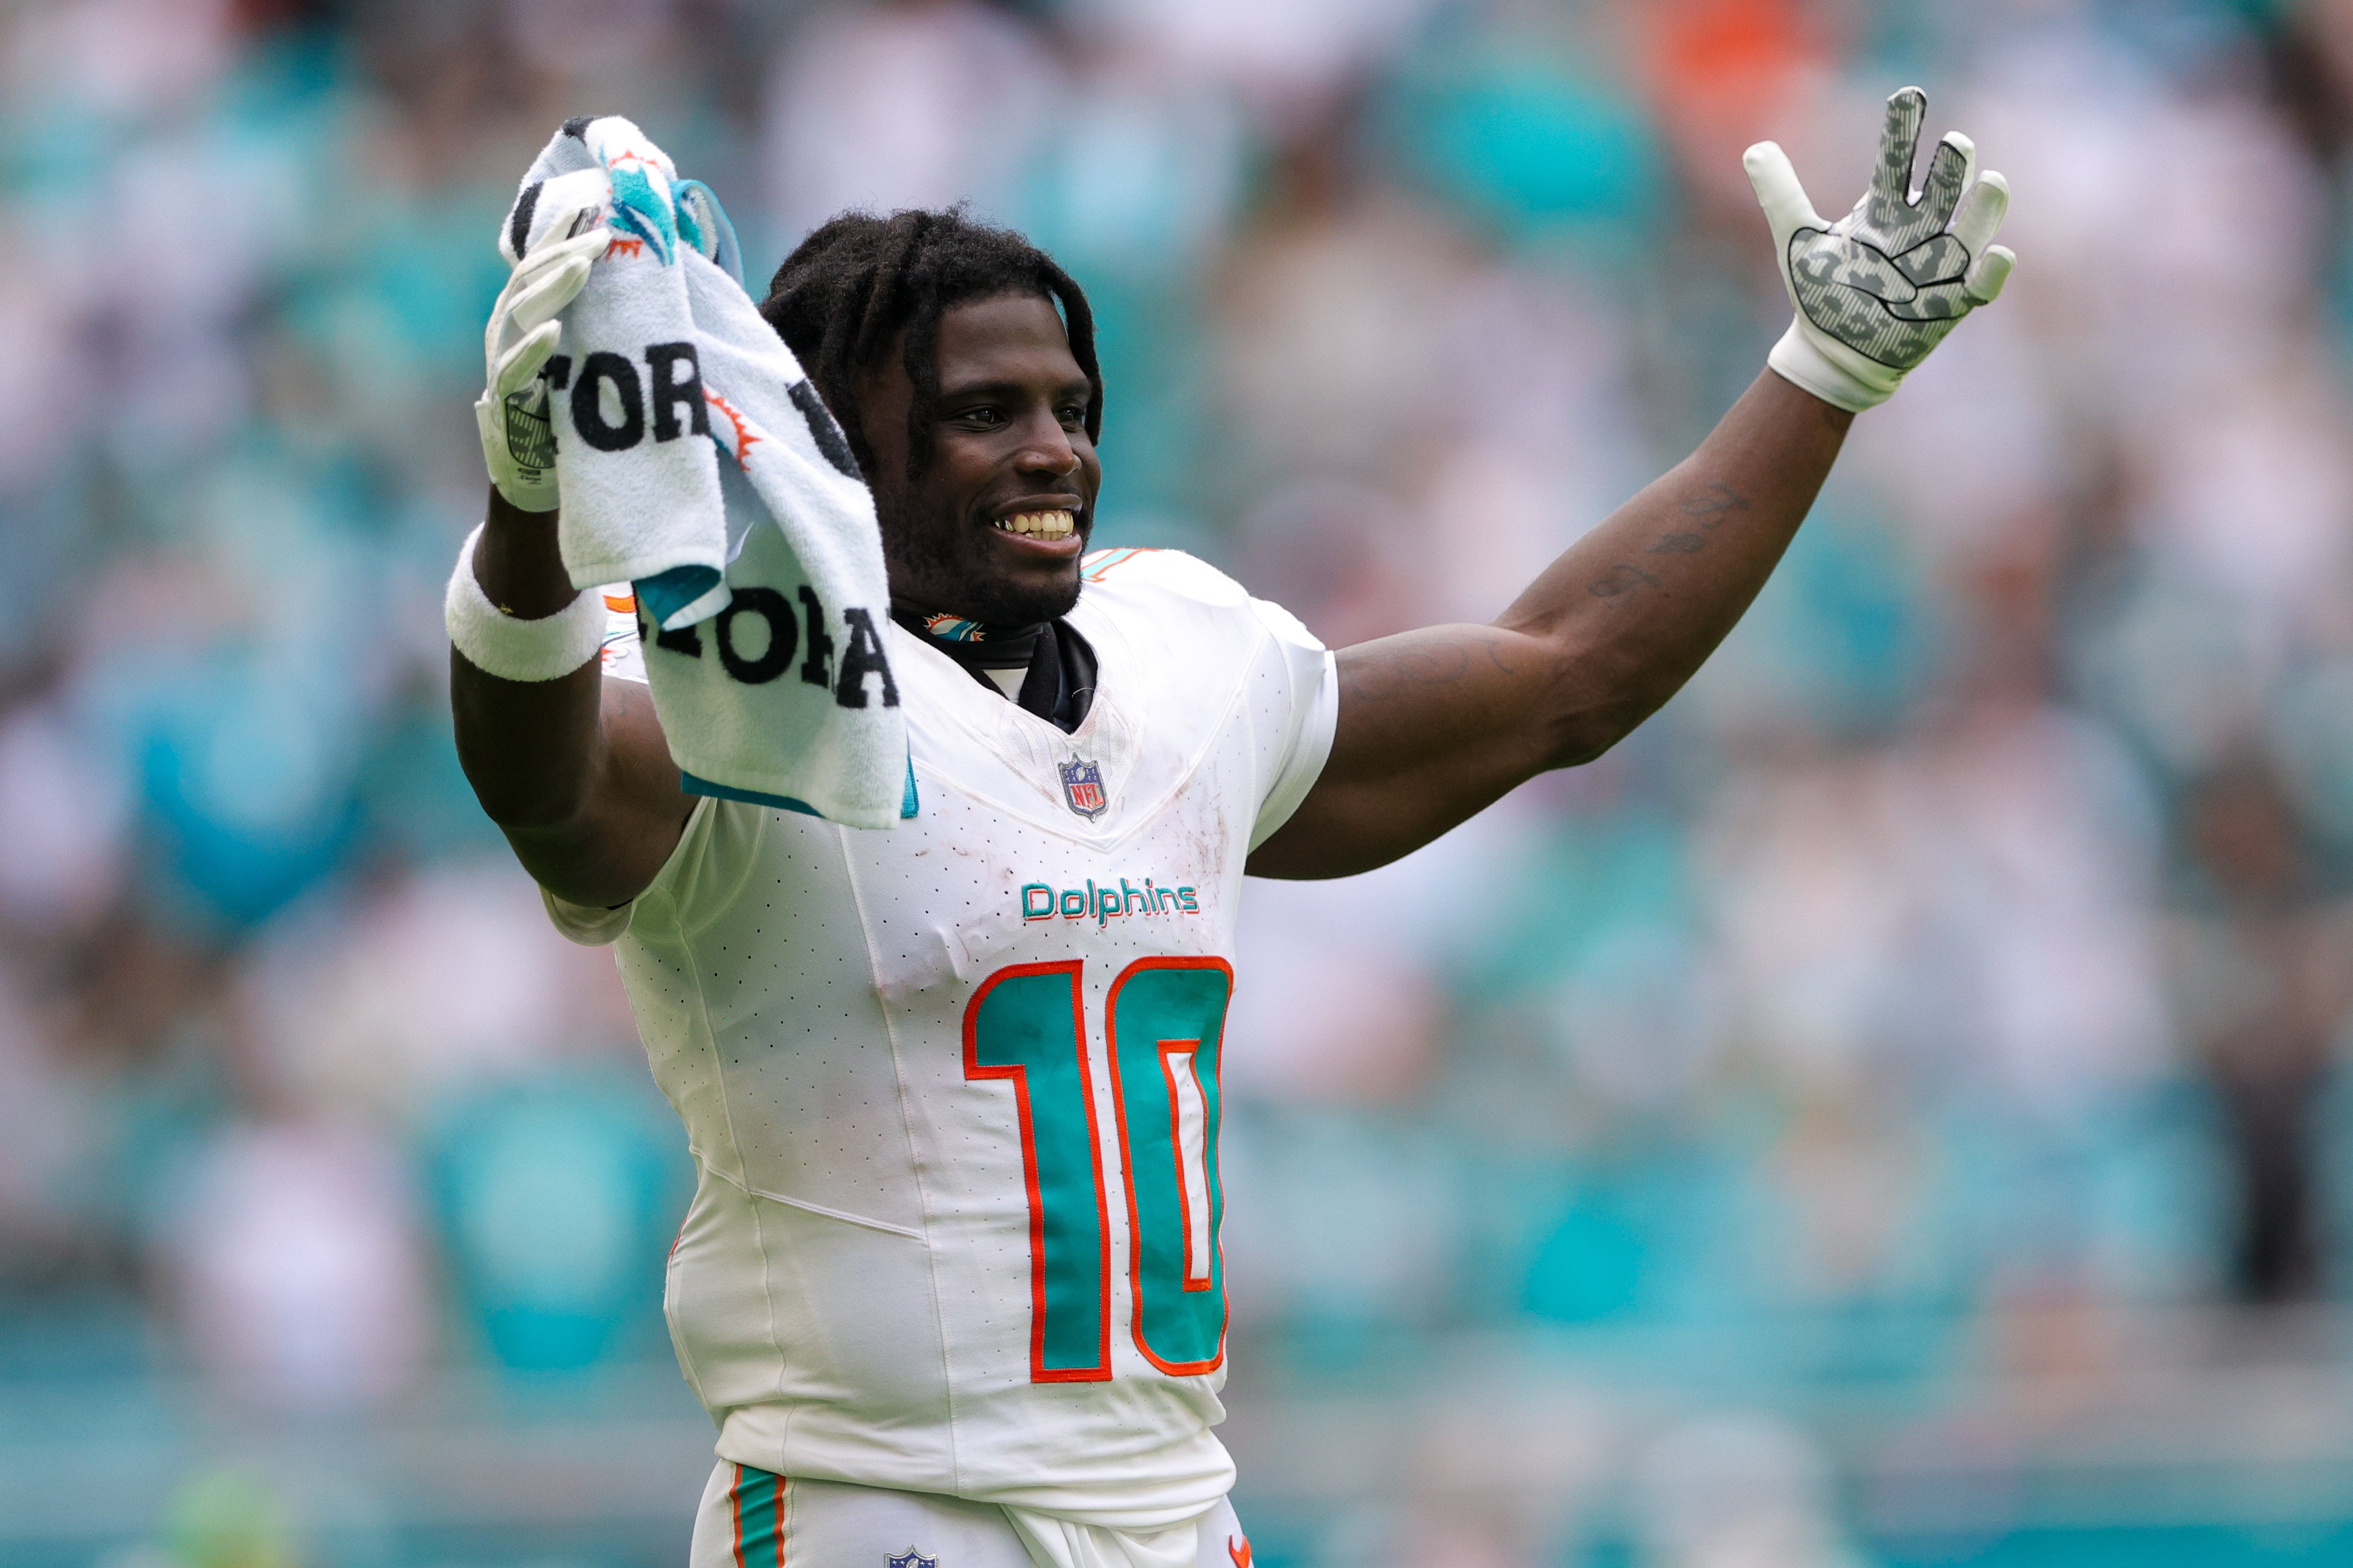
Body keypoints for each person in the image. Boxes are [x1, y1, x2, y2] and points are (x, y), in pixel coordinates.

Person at [450, 89, 2012, 1568]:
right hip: (886, 1505)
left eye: (1071, 405)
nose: (1056, 448)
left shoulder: (1182, 656)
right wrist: (528, 510)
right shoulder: (752, 704)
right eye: (987, 413)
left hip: (1178, 1510)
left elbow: (1561, 678)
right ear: (834, 455)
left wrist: (1822, 377)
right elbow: (552, 785)